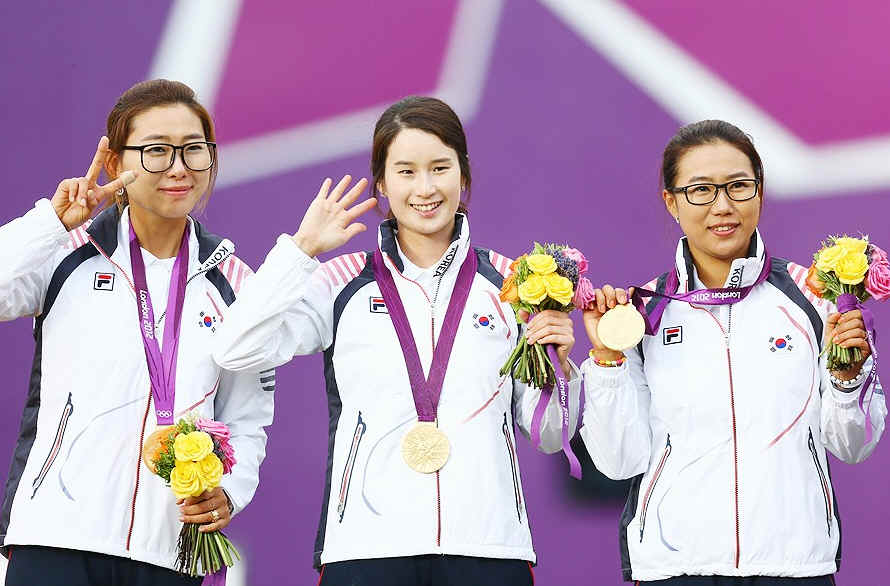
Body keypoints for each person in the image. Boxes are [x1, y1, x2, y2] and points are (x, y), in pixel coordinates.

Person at [212, 96, 581, 585]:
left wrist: (560, 368)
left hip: (488, 548)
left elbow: (551, 435)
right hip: (366, 549)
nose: (425, 188)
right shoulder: (341, 281)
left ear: (464, 176)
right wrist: (300, 250)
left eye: (439, 168)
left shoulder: (513, 283)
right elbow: (235, 348)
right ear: (382, 184)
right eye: (406, 172)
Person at [579, 119, 885, 585]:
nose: (722, 206)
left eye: (739, 186)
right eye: (700, 190)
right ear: (671, 202)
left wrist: (848, 379)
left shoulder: (816, 300)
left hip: (794, 566)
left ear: (760, 191)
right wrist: (607, 359)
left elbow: (854, 445)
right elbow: (619, 461)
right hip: (676, 569)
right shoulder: (642, 314)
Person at [0, 79, 274, 586]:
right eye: (156, 151)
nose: (178, 167)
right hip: (55, 540)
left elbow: (247, 415)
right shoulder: (64, 253)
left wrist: (229, 491)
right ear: (114, 163)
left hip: (169, 551)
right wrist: (51, 223)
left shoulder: (237, 284)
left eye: (193, 149)